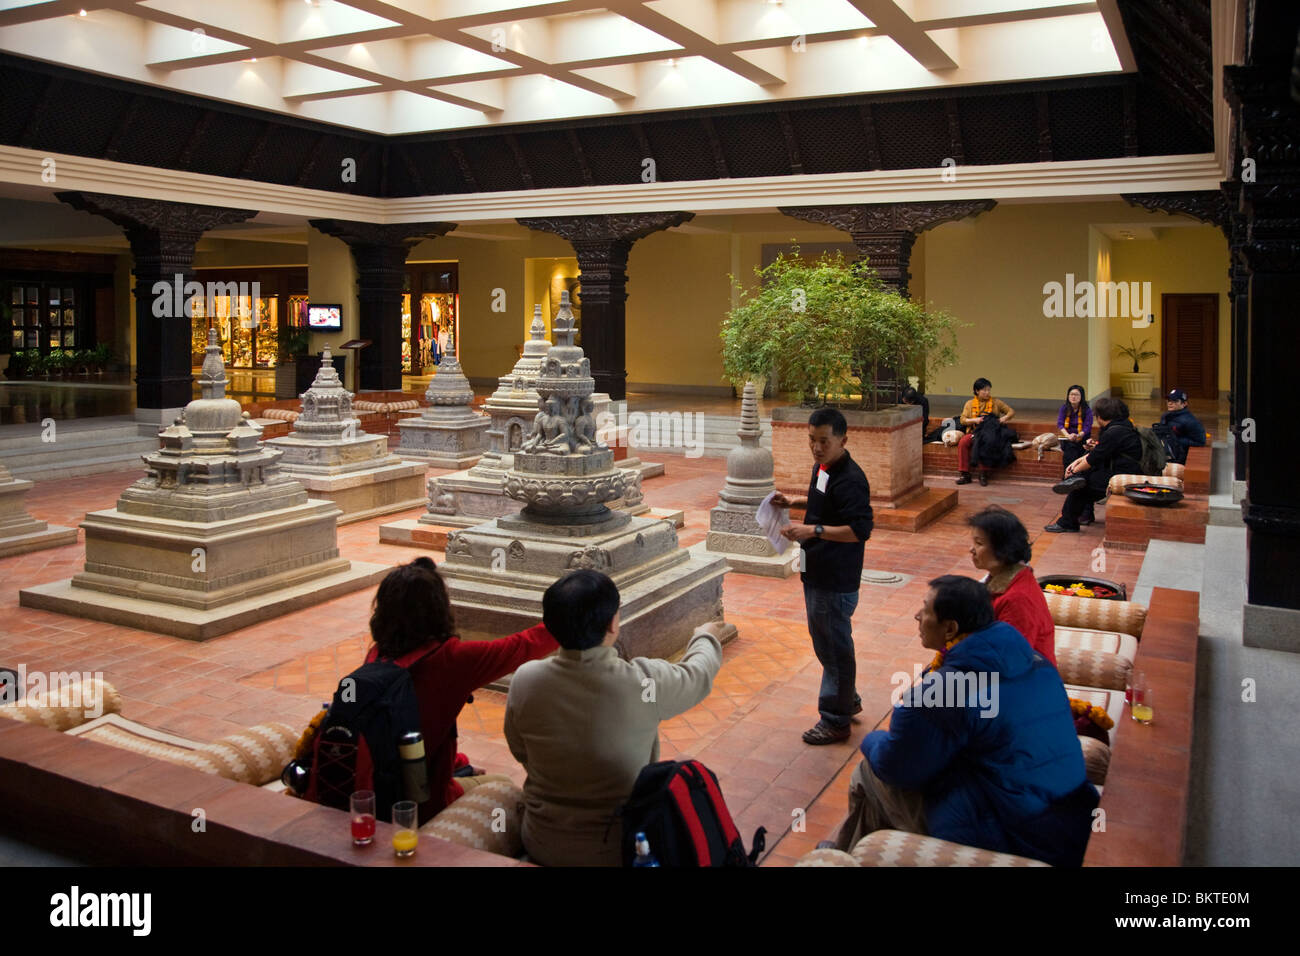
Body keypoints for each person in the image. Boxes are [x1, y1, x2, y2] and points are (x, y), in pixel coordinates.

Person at [833, 576, 1097, 866]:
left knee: (870, 773)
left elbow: (896, 766)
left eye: (925, 609)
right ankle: (849, 853)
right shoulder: (1034, 660)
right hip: (1073, 820)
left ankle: (845, 856)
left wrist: (871, 739)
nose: (917, 616)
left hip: (1015, 833)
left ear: (950, 628)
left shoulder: (945, 691)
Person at [503, 570, 726, 867]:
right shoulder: (643, 683)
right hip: (620, 849)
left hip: (543, 841)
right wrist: (705, 637)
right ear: (612, 623)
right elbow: (697, 674)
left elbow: (519, 748)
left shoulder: (525, 680)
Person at [365, 557, 559, 825]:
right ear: (439, 609)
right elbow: (521, 647)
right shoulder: (451, 660)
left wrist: (456, 763)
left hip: (372, 792)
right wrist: (571, 617)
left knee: (467, 770)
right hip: (422, 802)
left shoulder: (376, 656)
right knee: (503, 785)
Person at [771, 407, 874, 745]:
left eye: (824, 441)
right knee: (827, 642)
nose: (816, 447)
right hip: (816, 569)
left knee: (833, 648)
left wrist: (812, 530)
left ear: (843, 440)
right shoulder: (823, 467)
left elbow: (859, 530)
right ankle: (848, 698)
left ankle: (835, 719)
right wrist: (794, 501)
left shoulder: (852, 479)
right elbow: (825, 505)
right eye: (812, 440)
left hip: (835, 577)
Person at [968, 506, 1056, 666]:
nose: (971, 550)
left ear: (1003, 550)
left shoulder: (1017, 600)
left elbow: (1012, 661)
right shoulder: (1000, 578)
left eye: (979, 543)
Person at [1045, 396, 1143, 533]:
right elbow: (1100, 452)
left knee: (1081, 486)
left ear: (1101, 416)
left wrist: (1072, 471)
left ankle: (1068, 522)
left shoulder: (1113, 432)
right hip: (1123, 468)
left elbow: (1093, 459)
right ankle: (1083, 514)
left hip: (1121, 474)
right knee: (1084, 479)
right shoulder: (1124, 426)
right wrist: (1076, 463)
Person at [956, 378, 1016, 486]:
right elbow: (962, 420)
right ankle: (965, 474)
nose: (987, 392)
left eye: (989, 390)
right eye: (984, 390)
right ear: (977, 391)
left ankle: (983, 474)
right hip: (975, 431)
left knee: (987, 442)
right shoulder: (969, 404)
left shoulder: (996, 402)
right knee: (963, 442)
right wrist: (975, 420)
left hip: (991, 433)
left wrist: (1003, 419)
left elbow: (1011, 412)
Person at [1055, 385, 1096, 524]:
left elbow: (1087, 427)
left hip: (1082, 439)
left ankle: (1073, 474)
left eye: (1076, 395)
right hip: (1068, 439)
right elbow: (1060, 424)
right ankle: (1071, 474)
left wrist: (1079, 435)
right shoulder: (1064, 408)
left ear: (1081, 397)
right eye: (1071, 394)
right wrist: (1068, 435)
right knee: (1070, 450)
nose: (1073, 397)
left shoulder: (1086, 410)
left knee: (1076, 454)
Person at [1153, 388, 1206, 464]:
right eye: (1168, 400)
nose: (1170, 403)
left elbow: (1200, 442)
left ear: (1184, 404)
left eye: (1175, 401)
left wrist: (1175, 440)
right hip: (1166, 452)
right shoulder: (1165, 416)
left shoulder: (1190, 421)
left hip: (1179, 457)